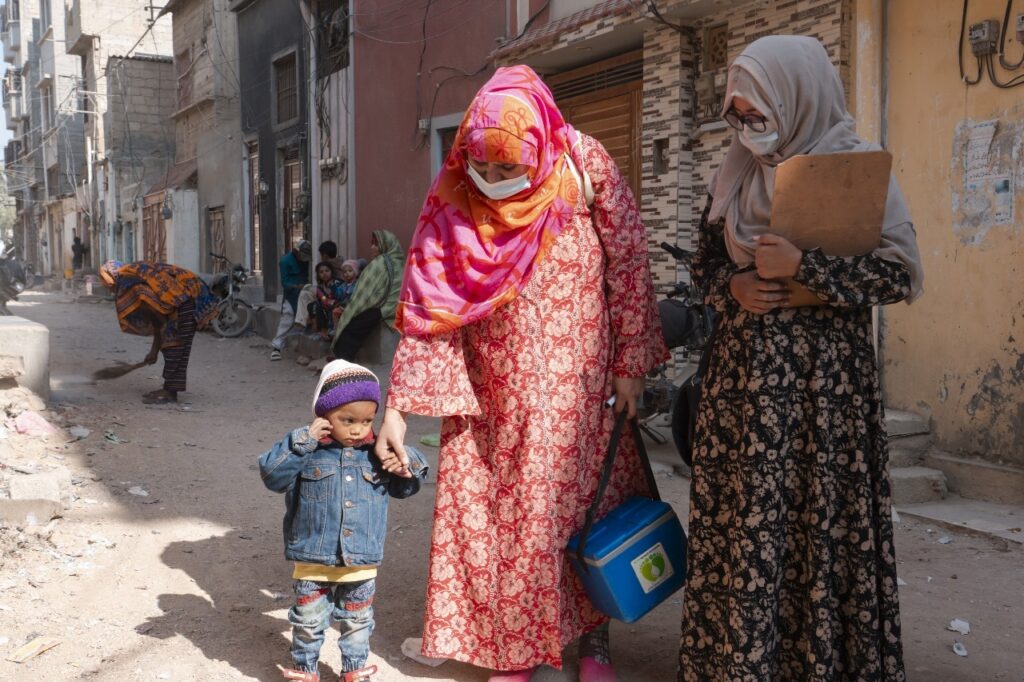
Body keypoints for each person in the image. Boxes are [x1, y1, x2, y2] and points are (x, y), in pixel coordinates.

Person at [373, 66, 668, 681]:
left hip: (579, 387)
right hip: (494, 394)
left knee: (587, 511)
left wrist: (630, 364)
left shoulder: (583, 162)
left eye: (513, 170)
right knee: (507, 523)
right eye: (490, 170)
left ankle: (593, 647)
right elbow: (431, 298)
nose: (500, 182)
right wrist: (397, 409)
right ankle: (516, 651)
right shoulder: (456, 192)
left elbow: (629, 260)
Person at [677, 36, 923, 681]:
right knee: (745, 526)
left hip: (825, 392)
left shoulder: (857, 168)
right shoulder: (733, 172)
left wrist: (804, 269)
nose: (746, 130)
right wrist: (732, 287)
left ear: (798, 97)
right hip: (742, 390)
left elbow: (897, 277)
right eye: (736, 116)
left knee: (819, 522)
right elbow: (702, 265)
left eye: (756, 115)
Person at [258, 360, 428, 682]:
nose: (357, 429)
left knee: (358, 622)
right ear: (324, 416)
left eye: (366, 420)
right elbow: (272, 475)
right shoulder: (306, 451)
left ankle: (355, 670)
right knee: (308, 622)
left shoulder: (376, 454)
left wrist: (406, 464)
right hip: (313, 561)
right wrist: (302, 440)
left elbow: (406, 487)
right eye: (347, 419)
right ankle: (304, 670)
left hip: (360, 562)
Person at [99, 260, 219, 404]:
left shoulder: (127, 282)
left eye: (106, 283)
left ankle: (169, 392)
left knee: (173, 344)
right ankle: (170, 388)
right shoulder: (129, 275)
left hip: (186, 298)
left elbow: (159, 320)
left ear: (109, 278)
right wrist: (154, 350)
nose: (108, 288)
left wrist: (155, 350)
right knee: (174, 343)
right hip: (186, 294)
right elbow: (158, 316)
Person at [330, 231, 404, 362]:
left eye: (375, 244)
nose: (372, 248)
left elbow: (366, 292)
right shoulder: (400, 262)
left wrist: (353, 308)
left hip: (382, 308)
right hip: (394, 307)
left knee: (352, 325)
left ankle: (343, 360)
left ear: (385, 245)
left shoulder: (381, 262)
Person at [271, 239, 312, 361]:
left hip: (303, 293)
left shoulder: (305, 260)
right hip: (291, 294)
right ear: (296, 251)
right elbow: (285, 282)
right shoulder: (285, 261)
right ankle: (276, 348)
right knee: (287, 319)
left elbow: (306, 276)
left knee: (307, 318)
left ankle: (305, 349)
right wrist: (295, 286)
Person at [294, 241, 347, 333]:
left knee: (305, 291)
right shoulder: (341, 262)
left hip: (330, 292)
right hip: (326, 291)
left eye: (321, 255)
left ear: (325, 255)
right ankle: (307, 320)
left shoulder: (329, 265)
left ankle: (302, 321)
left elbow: (333, 283)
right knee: (309, 294)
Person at [308, 261, 346, 340]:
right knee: (313, 305)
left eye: (327, 271)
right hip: (326, 304)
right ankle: (322, 330)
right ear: (318, 275)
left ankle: (329, 331)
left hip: (338, 304)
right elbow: (322, 298)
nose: (324, 273)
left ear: (331, 271)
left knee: (328, 307)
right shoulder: (321, 286)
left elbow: (341, 296)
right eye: (321, 272)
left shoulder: (338, 282)